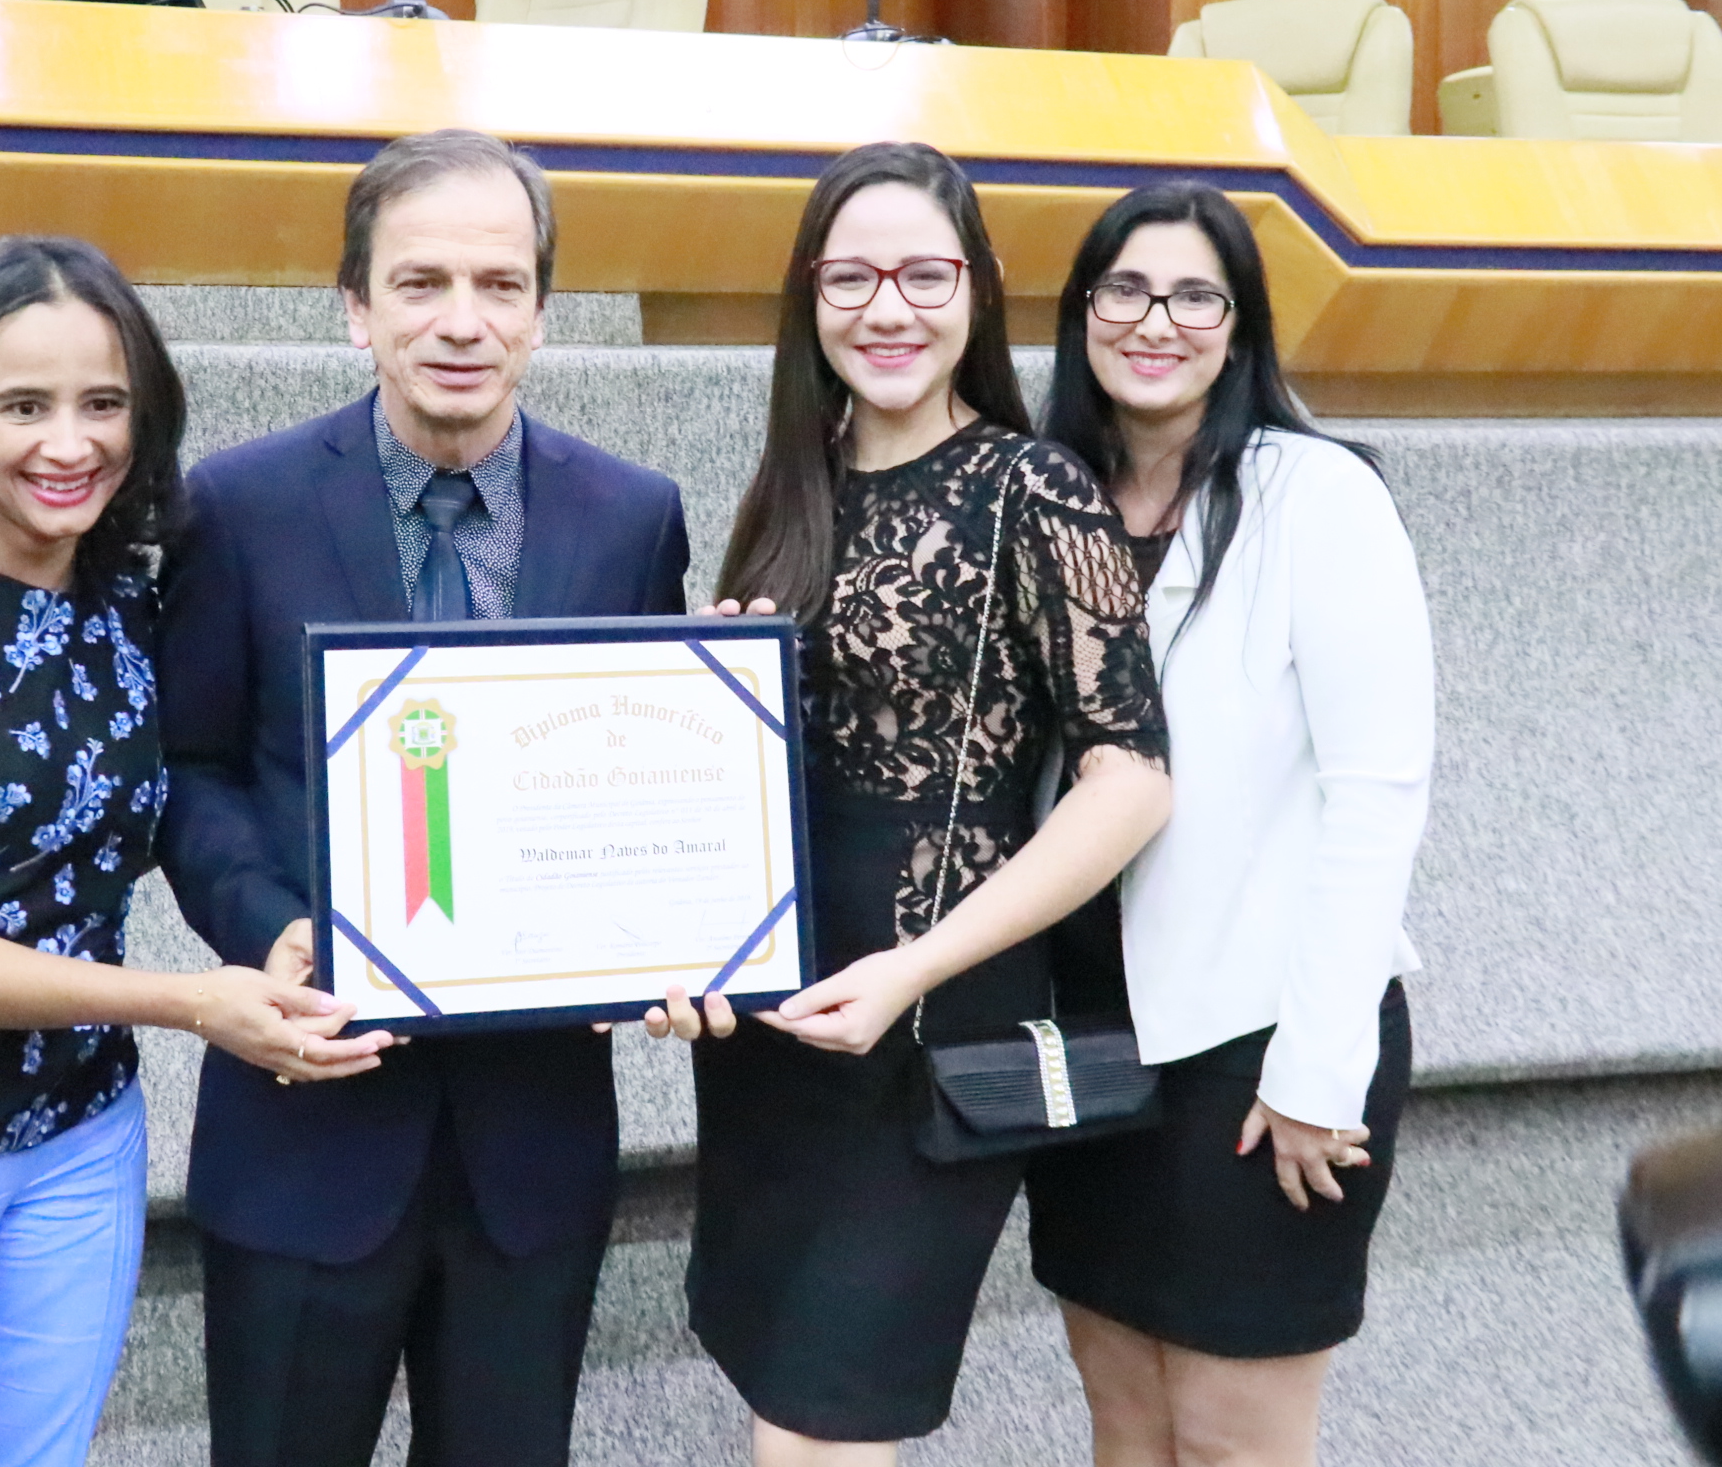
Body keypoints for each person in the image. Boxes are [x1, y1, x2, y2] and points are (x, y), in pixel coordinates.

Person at [0, 235, 388, 1467]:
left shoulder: (128, 604)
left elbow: (241, 779)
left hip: (75, 1140)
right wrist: (187, 1001)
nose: (69, 442)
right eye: (24, 405)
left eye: (103, 404)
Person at [155, 128, 693, 1467]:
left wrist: (673, 923)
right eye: (421, 282)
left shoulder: (633, 517)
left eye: (500, 285)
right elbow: (190, 768)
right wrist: (268, 927)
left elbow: (642, 777)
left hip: (533, 1148)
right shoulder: (237, 507)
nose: (463, 321)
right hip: (307, 1122)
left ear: (541, 312)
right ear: (356, 306)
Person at [663, 140, 1174, 1466]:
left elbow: (1131, 781)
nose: (887, 309)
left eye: (924, 275)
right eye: (852, 278)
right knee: (782, 1394)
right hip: (776, 1027)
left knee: (825, 1423)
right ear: (809, 295)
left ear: (978, 288)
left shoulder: (1037, 490)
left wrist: (917, 966)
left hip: (930, 1025)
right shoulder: (794, 480)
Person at [1022, 181, 1433, 1467]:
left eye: (1196, 295)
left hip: (1261, 1040)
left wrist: (1319, 1071)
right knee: (1125, 1414)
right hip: (1093, 1029)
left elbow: (1377, 795)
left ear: (1241, 324)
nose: (1157, 321)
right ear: (1082, 312)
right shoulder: (1051, 496)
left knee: (1231, 1436)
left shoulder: (1318, 495)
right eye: (1127, 290)